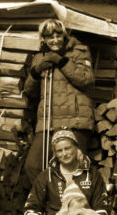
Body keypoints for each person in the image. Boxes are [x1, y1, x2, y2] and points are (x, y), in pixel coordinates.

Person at [22, 19, 96, 184]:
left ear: (64, 35)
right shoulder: (39, 57)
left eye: (58, 35)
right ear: (43, 39)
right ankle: (51, 196)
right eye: (50, 37)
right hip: (47, 121)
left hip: (74, 119)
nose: (55, 40)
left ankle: (72, 198)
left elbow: (86, 79)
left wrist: (61, 62)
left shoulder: (79, 51)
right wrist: (35, 72)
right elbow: (30, 92)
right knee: (33, 165)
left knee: (71, 167)